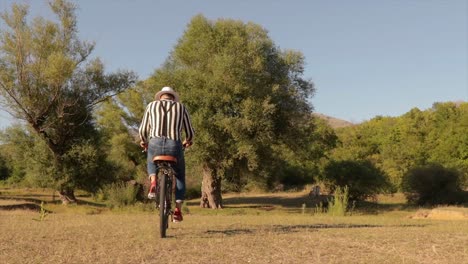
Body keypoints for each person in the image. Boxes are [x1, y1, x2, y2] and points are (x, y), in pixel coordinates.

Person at [139, 86, 195, 222]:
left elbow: (142, 130)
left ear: (160, 97)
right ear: (173, 98)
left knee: (151, 159)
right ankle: (177, 210)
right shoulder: (181, 107)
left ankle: (153, 182)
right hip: (174, 145)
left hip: (155, 143)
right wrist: (188, 141)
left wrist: (143, 141)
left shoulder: (151, 106)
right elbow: (190, 132)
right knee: (180, 176)